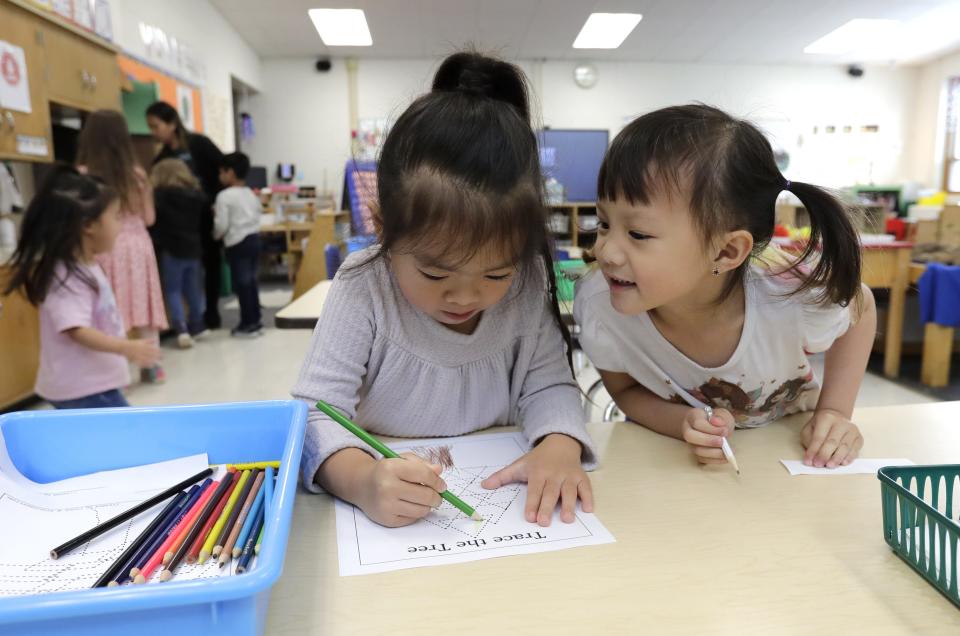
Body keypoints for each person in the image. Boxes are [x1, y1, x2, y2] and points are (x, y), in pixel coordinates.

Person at [292, 51, 596, 529]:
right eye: (436, 275)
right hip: (389, 511)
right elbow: (314, 413)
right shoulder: (364, 285)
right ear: (383, 229)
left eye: (497, 274)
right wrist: (362, 480)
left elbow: (550, 385)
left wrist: (559, 447)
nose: (465, 298)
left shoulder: (527, 284)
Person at [574, 104, 877, 470]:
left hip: (790, 450)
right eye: (604, 223)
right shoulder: (599, 304)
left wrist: (835, 411)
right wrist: (681, 422)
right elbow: (625, 392)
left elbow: (861, 306)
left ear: (727, 250)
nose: (604, 250)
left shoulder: (786, 293)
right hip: (676, 469)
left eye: (638, 233)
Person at [3, 165, 160, 408]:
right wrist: (125, 347)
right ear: (89, 226)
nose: (120, 226)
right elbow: (75, 328)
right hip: (83, 388)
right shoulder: (66, 275)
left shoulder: (86, 266)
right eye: (116, 217)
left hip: (91, 384)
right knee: (119, 438)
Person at [76, 110, 168, 384]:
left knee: (106, 308)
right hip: (138, 244)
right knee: (143, 305)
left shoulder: (82, 176)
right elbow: (149, 218)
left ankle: (114, 374)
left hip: (101, 246)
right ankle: (152, 367)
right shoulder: (137, 175)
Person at [146, 101, 225, 330]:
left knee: (211, 266)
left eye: (156, 126)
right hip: (181, 225)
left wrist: (217, 200)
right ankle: (188, 319)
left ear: (171, 124)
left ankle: (210, 313)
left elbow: (224, 168)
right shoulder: (162, 158)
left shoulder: (198, 144)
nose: (153, 132)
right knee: (190, 274)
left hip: (207, 215)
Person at [150, 158, 209, 348]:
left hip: (172, 249)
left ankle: (181, 329)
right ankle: (198, 324)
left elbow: (154, 223)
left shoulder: (158, 196)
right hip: (193, 248)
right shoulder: (196, 196)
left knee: (173, 291)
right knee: (193, 289)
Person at [214, 152, 263, 337]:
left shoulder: (224, 196)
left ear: (231, 173)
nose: (220, 177)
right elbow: (258, 213)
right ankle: (256, 321)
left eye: (222, 172)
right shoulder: (250, 193)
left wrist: (216, 235)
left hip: (237, 243)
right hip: (254, 239)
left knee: (242, 284)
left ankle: (247, 324)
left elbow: (222, 225)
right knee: (251, 282)